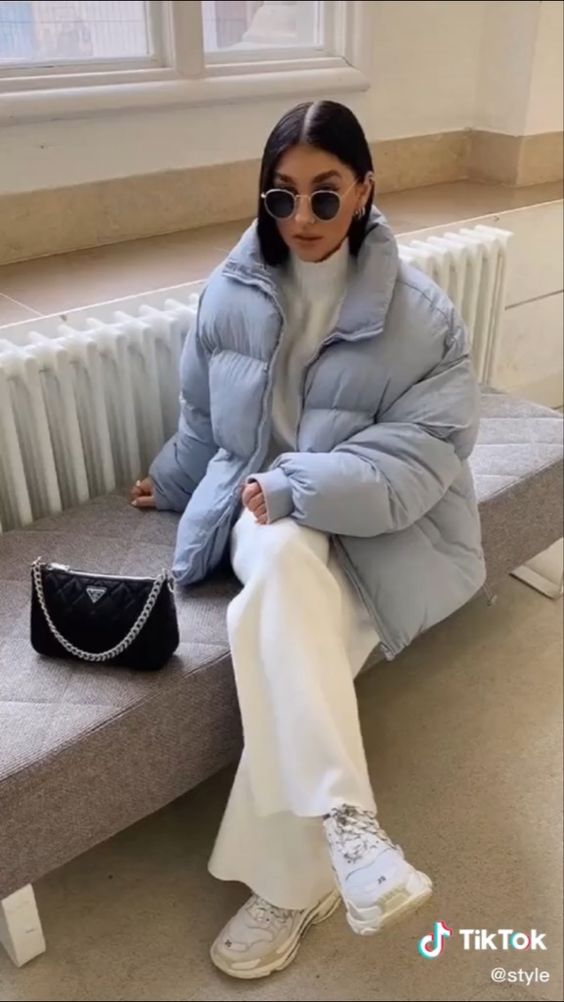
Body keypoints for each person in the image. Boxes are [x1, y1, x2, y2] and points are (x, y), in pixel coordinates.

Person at [130, 100, 486, 980]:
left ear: (365, 190)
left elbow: (422, 456)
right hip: (264, 517)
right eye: (280, 196)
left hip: (379, 527)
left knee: (272, 635)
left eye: (325, 195)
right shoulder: (230, 291)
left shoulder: (424, 319)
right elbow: (204, 419)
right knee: (282, 554)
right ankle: (351, 833)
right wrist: (173, 481)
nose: (301, 218)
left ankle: (298, 879)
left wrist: (296, 484)